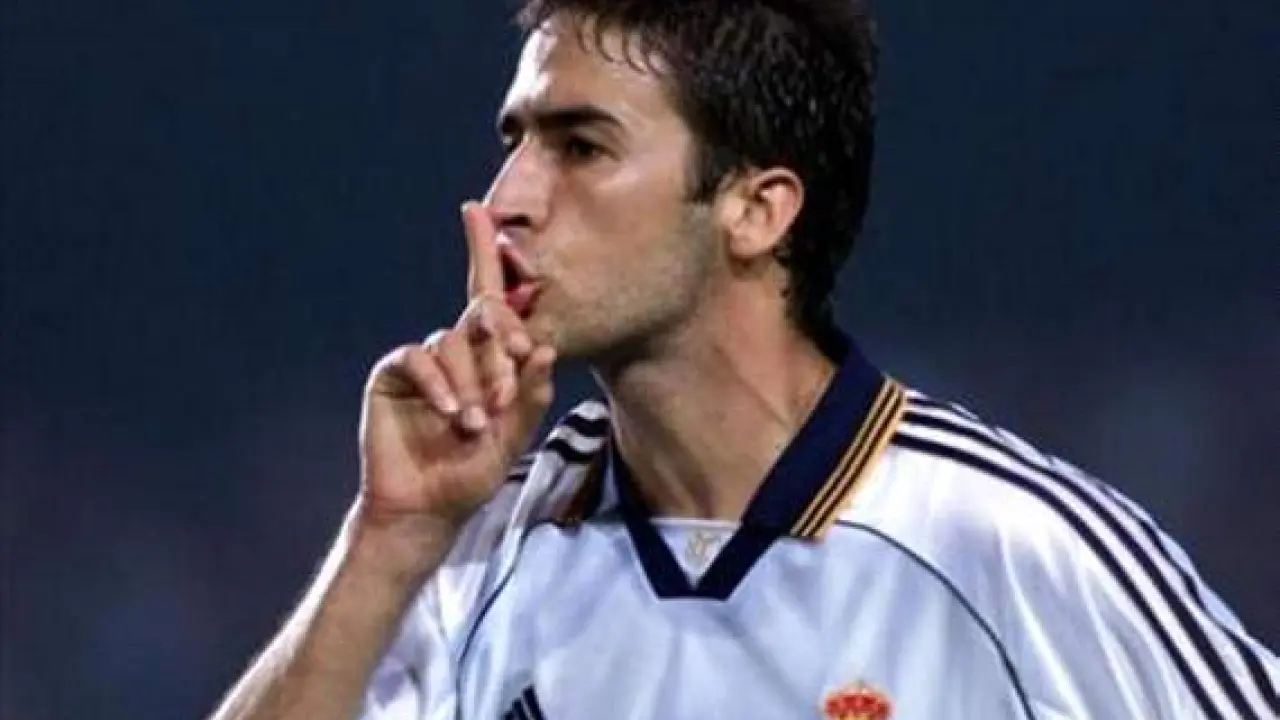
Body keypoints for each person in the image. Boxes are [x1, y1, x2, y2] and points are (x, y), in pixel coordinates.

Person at [209, 1, 1278, 718]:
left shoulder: (1002, 546)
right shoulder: (477, 559)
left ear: (756, 210)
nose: (506, 202)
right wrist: (389, 535)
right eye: (513, 143)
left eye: (580, 147)